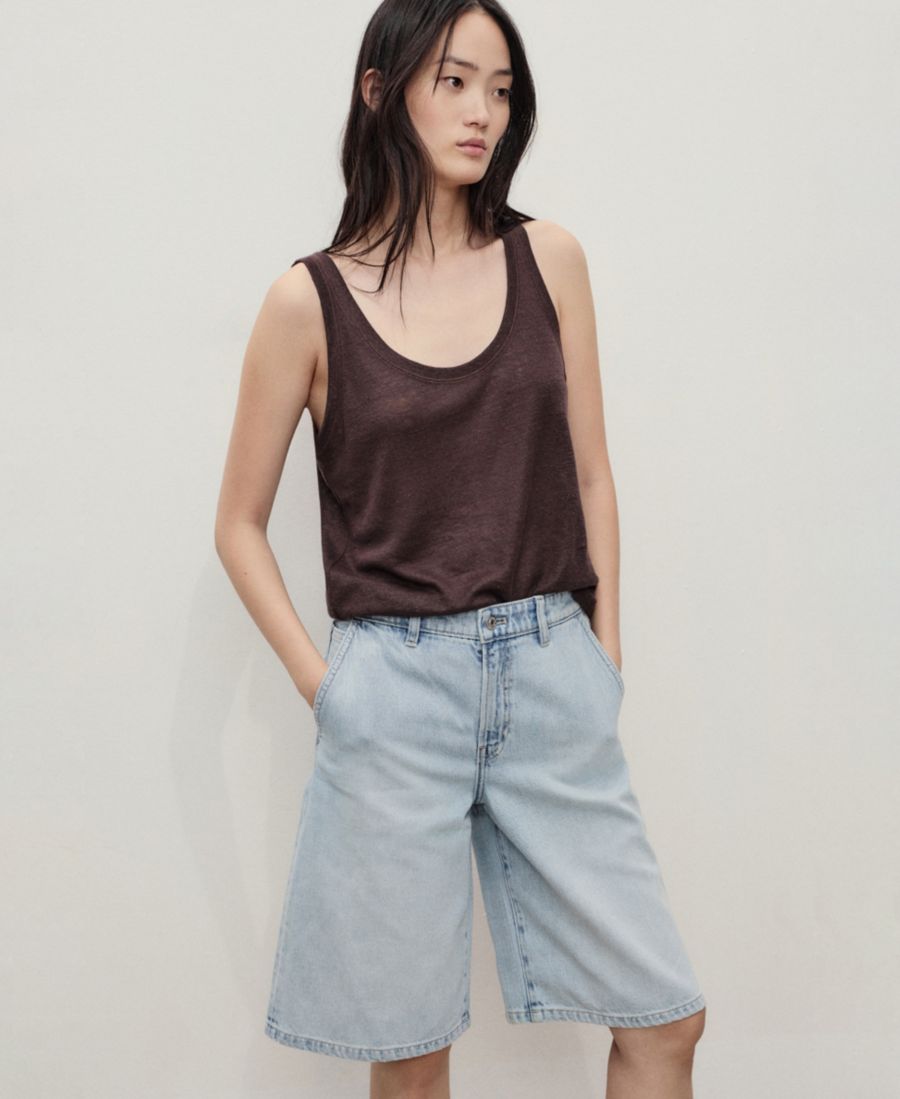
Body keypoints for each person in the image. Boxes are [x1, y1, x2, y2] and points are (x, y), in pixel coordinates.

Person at [214, 1, 707, 1095]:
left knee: (665, 1019)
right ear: (379, 91)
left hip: (551, 671)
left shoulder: (550, 260)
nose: (483, 110)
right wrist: (328, 687)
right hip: (391, 694)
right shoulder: (307, 302)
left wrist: (602, 656)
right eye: (453, 80)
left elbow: (591, 473)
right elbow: (237, 523)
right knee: (412, 1053)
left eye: (501, 88)